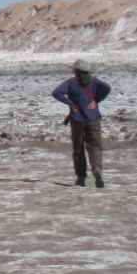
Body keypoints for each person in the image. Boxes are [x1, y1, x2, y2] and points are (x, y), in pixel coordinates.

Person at [53, 59, 112, 187]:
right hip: (94, 119)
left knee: (78, 149)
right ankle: (97, 170)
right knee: (95, 146)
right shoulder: (94, 81)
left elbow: (56, 93)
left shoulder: (71, 83)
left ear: (76, 71)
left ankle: (81, 177)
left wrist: (70, 104)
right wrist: (96, 100)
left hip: (77, 120)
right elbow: (107, 88)